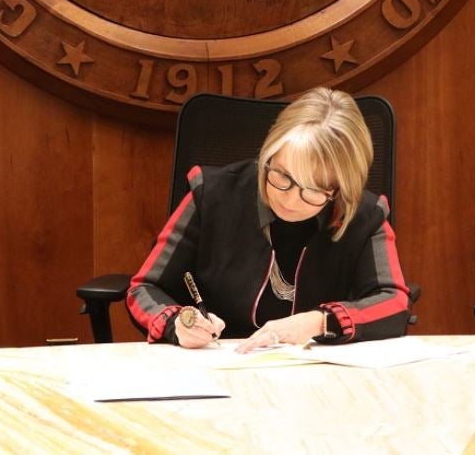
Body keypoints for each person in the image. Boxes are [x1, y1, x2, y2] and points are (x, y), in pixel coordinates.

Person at [127, 87, 410, 351]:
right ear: (269, 154)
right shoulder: (211, 193)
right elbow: (144, 288)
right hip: (217, 361)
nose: (290, 200)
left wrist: (320, 322)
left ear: (341, 189)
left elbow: (395, 302)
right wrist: (177, 323)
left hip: (317, 370)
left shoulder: (365, 215)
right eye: (282, 176)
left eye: (314, 190)